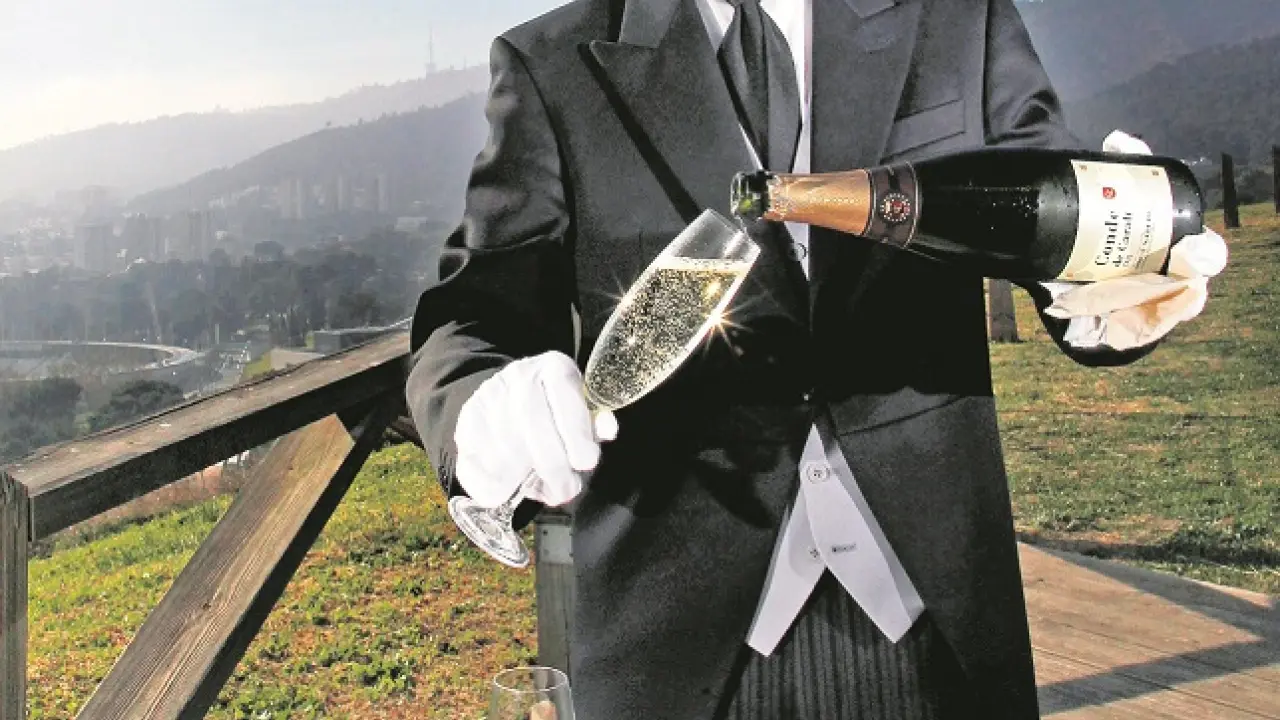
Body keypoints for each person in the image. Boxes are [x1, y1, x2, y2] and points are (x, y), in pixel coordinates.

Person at [404, 0, 1226, 718]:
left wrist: (1110, 296)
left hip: (934, 623)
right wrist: (477, 410)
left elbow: (1054, 210)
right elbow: (470, 319)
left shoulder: (957, 15)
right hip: (673, 644)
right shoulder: (553, 62)